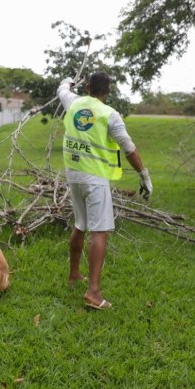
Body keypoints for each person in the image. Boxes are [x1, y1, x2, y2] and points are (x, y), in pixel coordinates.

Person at [57, 72, 153, 310]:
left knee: (80, 224)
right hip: (95, 179)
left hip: (73, 174)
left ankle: (74, 275)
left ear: (87, 87)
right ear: (107, 91)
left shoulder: (73, 102)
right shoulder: (110, 114)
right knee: (99, 232)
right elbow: (129, 149)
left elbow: (62, 90)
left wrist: (69, 81)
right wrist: (144, 175)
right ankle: (93, 292)